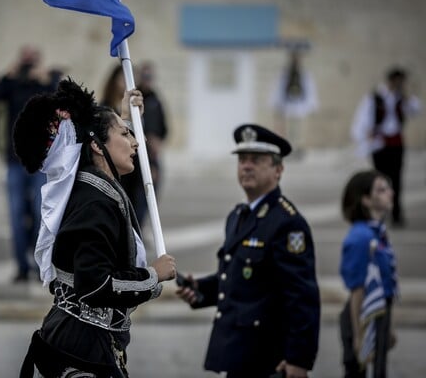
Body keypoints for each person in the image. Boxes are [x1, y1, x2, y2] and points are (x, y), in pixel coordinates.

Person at [15, 79, 176, 377]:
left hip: (87, 338)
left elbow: (114, 167)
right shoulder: (94, 203)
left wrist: (124, 115)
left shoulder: (96, 187)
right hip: (82, 345)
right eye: (126, 134)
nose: (136, 142)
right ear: (96, 146)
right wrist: (153, 275)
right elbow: (96, 284)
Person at [176, 123, 320, 378]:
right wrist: (201, 289)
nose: (246, 166)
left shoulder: (288, 223)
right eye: (242, 159)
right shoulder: (238, 216)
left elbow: (302, 297)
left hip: (269, 358)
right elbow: (241, 277)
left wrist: (299, 359)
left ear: (278, 170)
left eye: (256, 160)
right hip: (238, 353)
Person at [0, 46, 63, 282]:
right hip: (14, 161)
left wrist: (47, 79)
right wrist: (8, 74)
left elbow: (63, 102)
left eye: (33, 61)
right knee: (16, 215)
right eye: (25, 62)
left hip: (41, 162)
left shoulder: (47, 84)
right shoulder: (12, 84)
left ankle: (41, 265)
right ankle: (21, 266)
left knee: (42, 216)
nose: (29, 66)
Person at [339, 170, 397, 378]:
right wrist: (358, 334)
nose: (390, 193)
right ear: (365, 199)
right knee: (357, 371)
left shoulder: (377, 231)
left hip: (379, 313)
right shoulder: (361, 237)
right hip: (361, 315)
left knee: (380, 371)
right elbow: (358, 289)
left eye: (388, 188)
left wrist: (387, 327)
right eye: (381, 190)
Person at [351, 67, 421, 227]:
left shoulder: (402, 99)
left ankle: (396, 213)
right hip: (379, 144)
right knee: (380, 180)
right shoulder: (375, 97)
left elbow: (416, 109)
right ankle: (379, 212)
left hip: (396, 144)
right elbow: (362, 118)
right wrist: (363, 136)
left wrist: (405, 95)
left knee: (396, 179)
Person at [120, 61, 169, 227]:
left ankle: (139, 227)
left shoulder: (156, 100)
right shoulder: (134, 99)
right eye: (145, 76)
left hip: (152, 154)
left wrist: (158, 141)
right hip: (137, 153)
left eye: (150, 76)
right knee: (136, 194)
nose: (148, 80)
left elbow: (164, 127)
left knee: (151, 192)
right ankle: (133, 227)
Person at [269, 49, 318, 158]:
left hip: (300, 107)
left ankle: (298, 148)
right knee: (289, 130)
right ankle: (289, 148)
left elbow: (309, 89)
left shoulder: (304, 74)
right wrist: (277, 105)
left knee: (299, 131)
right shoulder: (285, 74)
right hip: (288, 106)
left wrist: (311, 106)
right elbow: (279, 89)